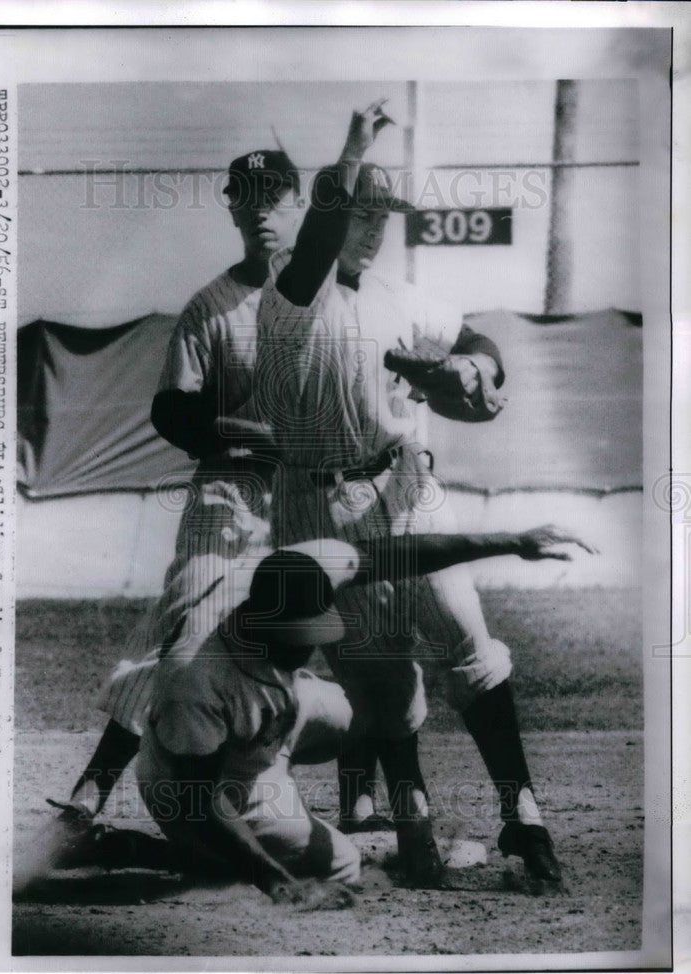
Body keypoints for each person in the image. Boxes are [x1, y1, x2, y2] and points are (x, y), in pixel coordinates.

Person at [253, 99, 566, 888]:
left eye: (382, 214)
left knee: (473, 646)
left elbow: (474, 342)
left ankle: (522, 814)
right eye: (360, 210)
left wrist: (482, 369)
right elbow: (320, 235)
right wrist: (353, 144)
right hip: (315, 506)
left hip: (403, 483)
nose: (371, 225)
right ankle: (412, 812)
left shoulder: (398, 295)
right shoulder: (290, 298)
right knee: (380, 680)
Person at [43, 150, 304, 823]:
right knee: (180, 631)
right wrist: (247, 431)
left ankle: (370, 794)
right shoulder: (210, 306)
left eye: (274, 196)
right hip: (230, 495)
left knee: (350, 632)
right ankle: (93, 793)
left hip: (313, 497)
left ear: (300, 204)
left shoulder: (334, 298)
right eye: (246, 196)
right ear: (231, 207)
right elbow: (172, 410)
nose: (260, 210)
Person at [136, 526, 592, 902]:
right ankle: (156, 852)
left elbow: (402, 552)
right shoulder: (193, 677)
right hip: (201, 782)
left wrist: (512, 543)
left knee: (365, 709)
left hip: (269, 718)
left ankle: (380, 821)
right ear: (258, 622)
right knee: (341, 864)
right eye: (299, 634)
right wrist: (277, 882)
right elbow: (199, 799)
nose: (312, 643)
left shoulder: (301, 568)